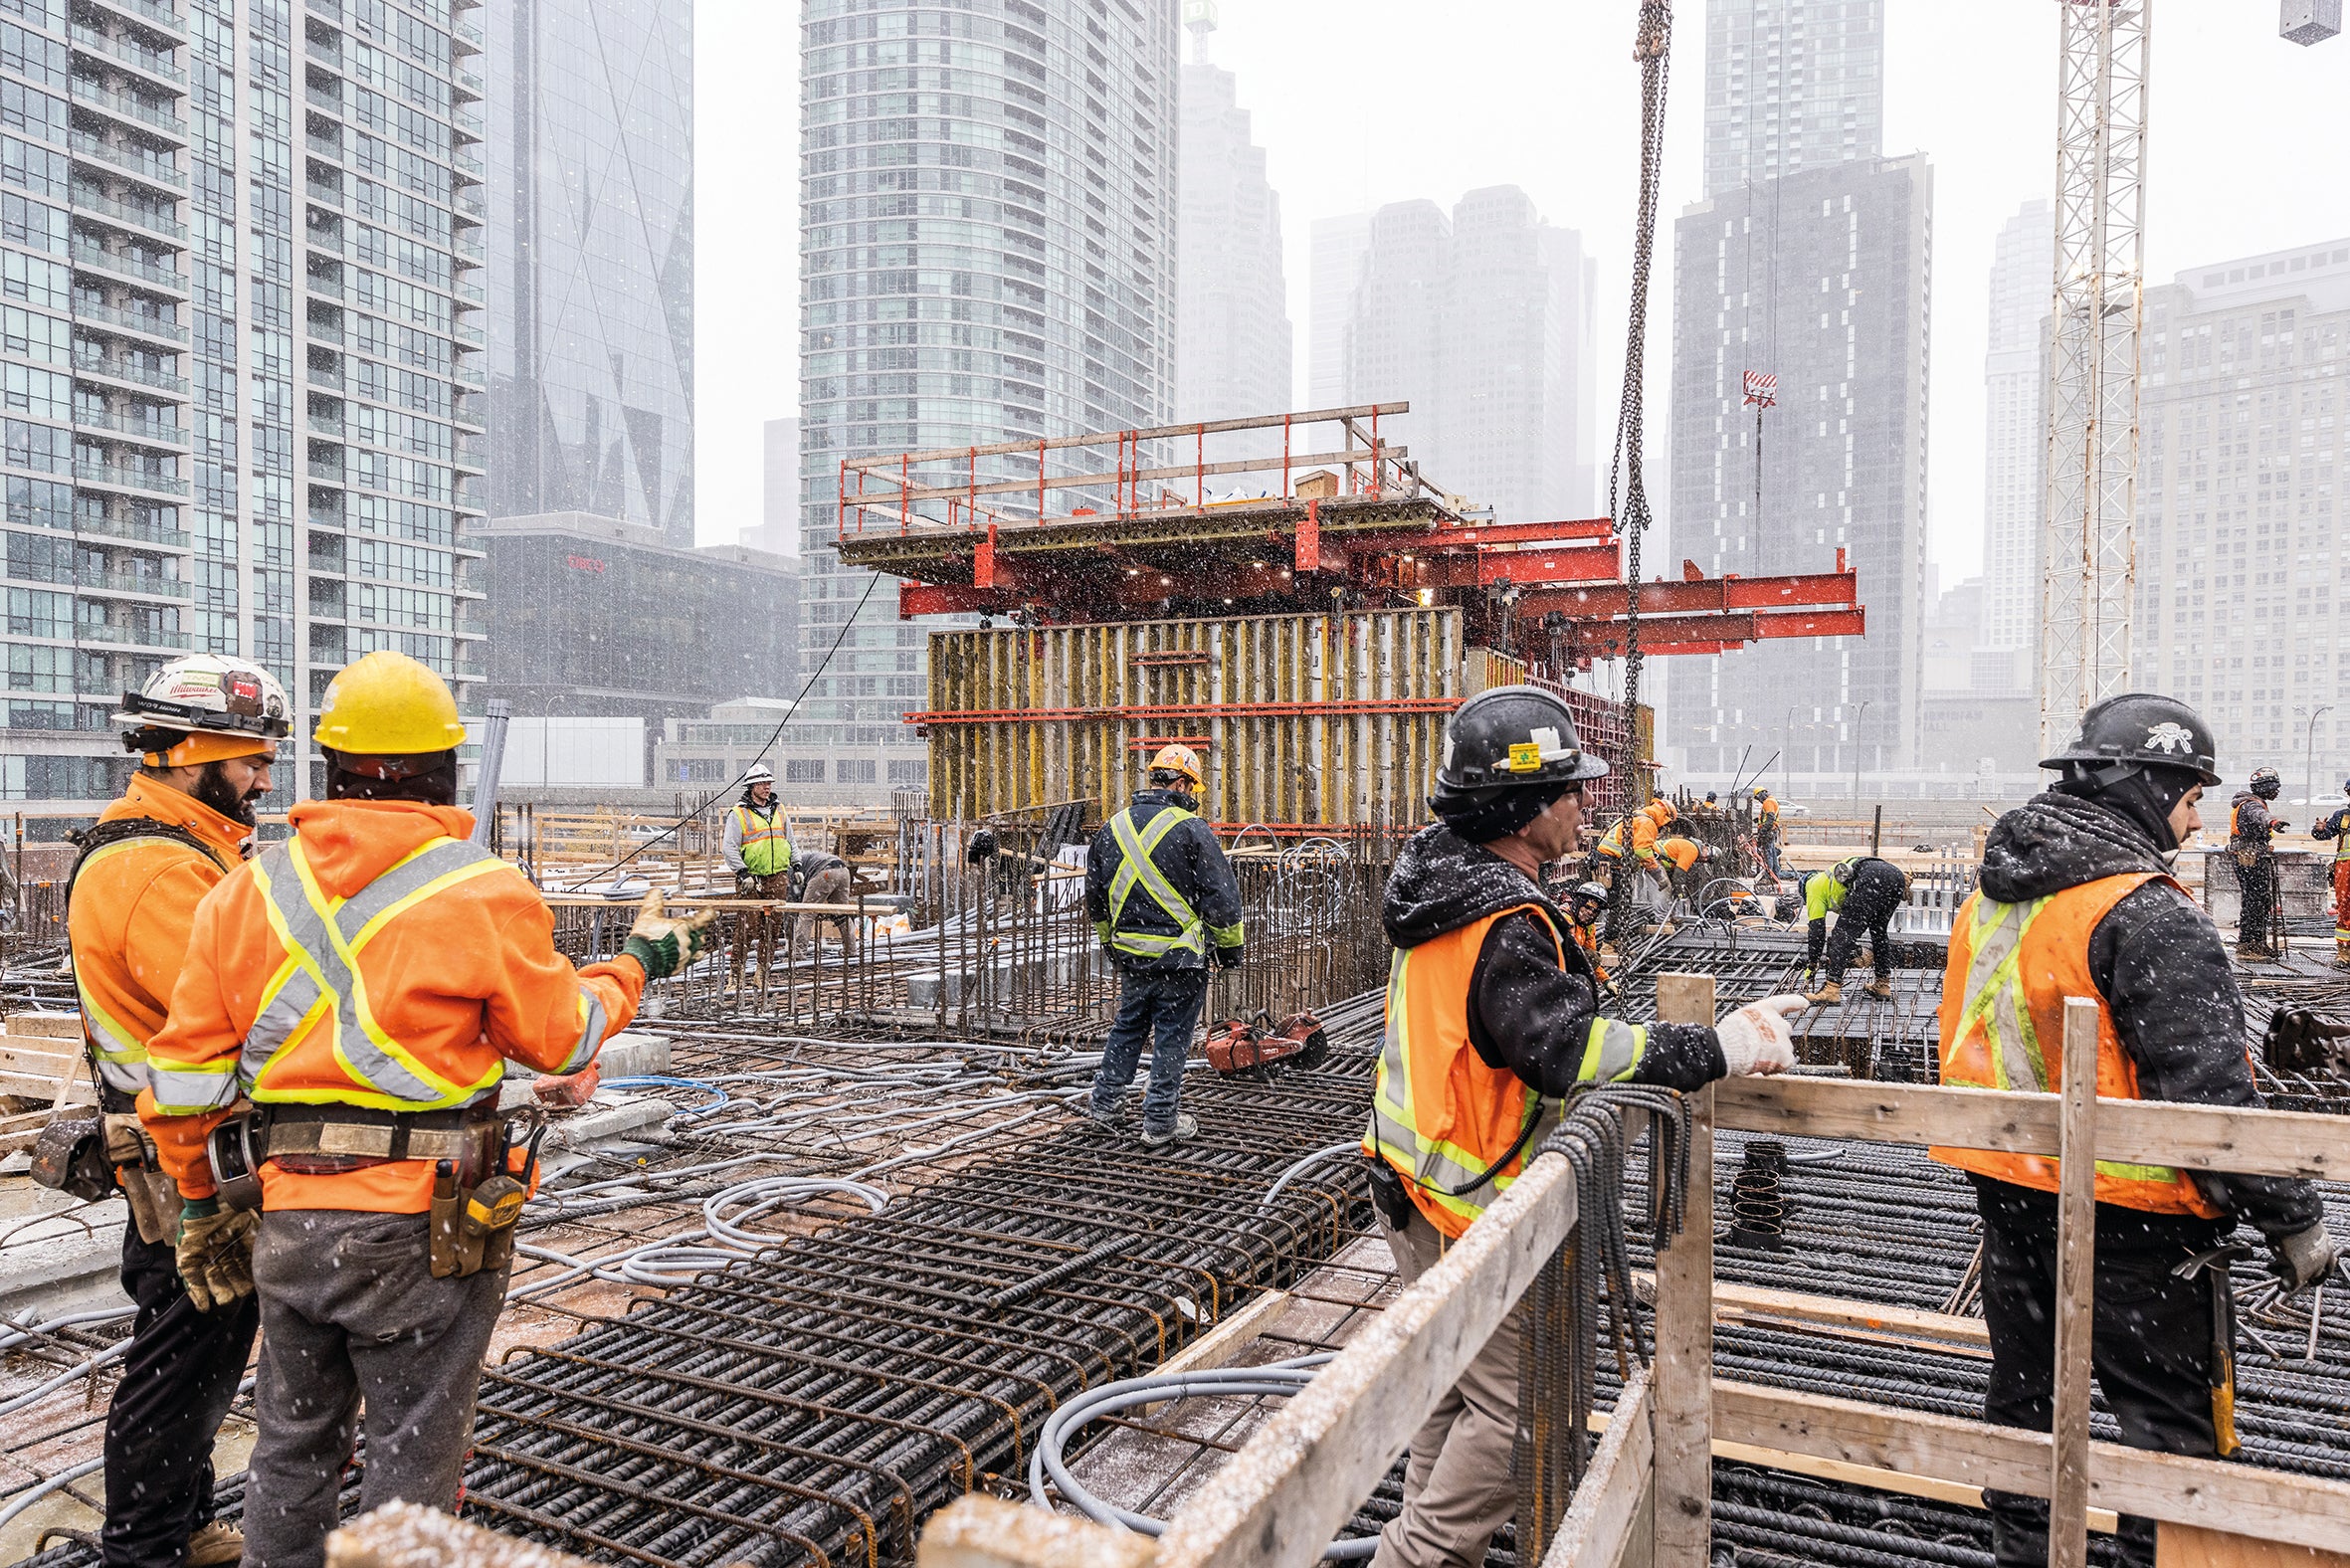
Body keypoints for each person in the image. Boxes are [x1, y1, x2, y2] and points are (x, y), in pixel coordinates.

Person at [138, 651, 717, 1568]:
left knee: (291, 1452)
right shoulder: (481, 891)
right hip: (424, 1231)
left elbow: (180, 1082)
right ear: (445, 769)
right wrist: (641, 960)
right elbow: (563, 1040)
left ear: (326, 768)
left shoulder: (243, 893)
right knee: (412, 1459)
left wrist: (200, 1204)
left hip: (289, 1221)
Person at [1362, 686, 1802, 1568]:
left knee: (1449, 1391)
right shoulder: (1502, 918)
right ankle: (1414, 1559)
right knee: (1523, 1415)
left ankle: (1426, 1550)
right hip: (1467, 1207)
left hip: (1409, 1188)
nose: (1585, 804)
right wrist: (1716, 1046)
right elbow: (1567, 1048)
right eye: (1570, 790)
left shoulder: (1443, 885)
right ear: (1524, 811)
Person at [1928, 693, 2337, 1568]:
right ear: (2147, 788)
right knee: (2173, 1434)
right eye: (2191, 800)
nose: (2194, 825)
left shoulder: (1994, 899)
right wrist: (2293, 1216)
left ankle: (2029, 1555)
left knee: (2029, 1401)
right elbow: (2210, 1101)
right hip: (2137, 1222)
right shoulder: (2149, 913)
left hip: (2010, 1195)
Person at [69, 657, 290, 1568]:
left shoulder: (186, 849)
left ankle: (184, 1522)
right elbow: (236, 1022)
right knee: (183, 1358)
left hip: (177, 1146)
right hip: (181, 1159)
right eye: (249, 762)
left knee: (197, 1346)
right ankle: (148, 1547)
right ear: (191, 754)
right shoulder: (159, 872)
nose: (263, 779)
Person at [1082, 743, 1243, 1147]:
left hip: (1133, 956)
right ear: (1185, 784)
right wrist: (1229, 950)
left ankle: (1104, 1105)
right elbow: (1221, 898)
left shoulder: (1112, 828)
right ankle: (1159, 1121)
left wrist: (1112, 946)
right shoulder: (1192, 830)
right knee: (1171, 1036)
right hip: (1181, 959)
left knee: (1128, 1027)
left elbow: (1096, 901)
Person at [1802, 854, 1909, 1004]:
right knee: (1879, 932)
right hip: (1895, 876)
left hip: (1871, 877)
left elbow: (1816, 931)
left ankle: (1831, 989)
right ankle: (1882, 984)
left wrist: (1812, 963)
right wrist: (1891, 877)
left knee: (1841, 934)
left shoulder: (1812, 887)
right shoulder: (1827, 879)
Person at [2229, 765, 2288, 959]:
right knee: (2255, 902)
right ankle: (2249, 947)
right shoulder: (2252, 805)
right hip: (2250, 858)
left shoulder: (2248, 802)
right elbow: (2260, 816)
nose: (2277, 791)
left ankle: (2257, 944)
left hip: (2250, 856)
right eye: (2275, 787)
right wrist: (2274, 822)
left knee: (2259, 901)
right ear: (2265, 787)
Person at [721, 762, 791, 896]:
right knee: (750, 916)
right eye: (762, 784)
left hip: (777, 878)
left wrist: (797, 864)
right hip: (750, 878)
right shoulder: (739, 813)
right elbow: (729, 847)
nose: (767, 787)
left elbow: (790, 840)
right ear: (752, 787)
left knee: (776, 916)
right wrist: (742, 872)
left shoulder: (779, 810)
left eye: (769, 783)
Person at [2312, 777, 2350, 970]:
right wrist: (2319, 830)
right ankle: (2344, 953)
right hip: (2346, 871)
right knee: (2345, 910)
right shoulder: (2343, 816)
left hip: (2346, 870)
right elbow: (2324, 834)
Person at [1562, 880, 1616, 995]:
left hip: (1566, 967)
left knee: (1592, 956)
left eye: (1595, 911)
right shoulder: (1564, 920)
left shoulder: (1588, 927)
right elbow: (1569, 954)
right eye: (1587, 907)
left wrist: (1606, 981)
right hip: (1550, 968)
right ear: (1578, 903)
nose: (1590, 913)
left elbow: (1591, 959)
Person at [1754, 788, 1785, 879]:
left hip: (1768, 831)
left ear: (1761, 794)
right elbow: (1769, 816)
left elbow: (1770, 818)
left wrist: (1763, 831)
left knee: (1768, 855)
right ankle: (1775, 874)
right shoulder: (1772, 800)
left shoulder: (1768, 802)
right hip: (1772, 830)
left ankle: (1768, 876)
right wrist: (1759, 819)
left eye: (1758, 797)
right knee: (1772, 853)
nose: (1759, 800)